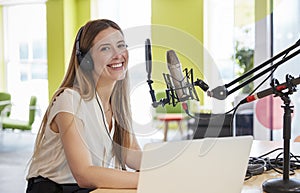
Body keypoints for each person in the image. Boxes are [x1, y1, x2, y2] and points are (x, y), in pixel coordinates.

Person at [26, 19, 142, 193]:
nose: (118, 54)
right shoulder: (70, 100)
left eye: (121, 45)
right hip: (54, 189)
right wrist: (148, 178)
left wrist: (172, 165)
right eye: (105, 48)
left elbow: (130, 155)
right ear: (86, 60)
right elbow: (84, 174)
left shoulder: (117, 105)